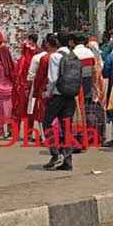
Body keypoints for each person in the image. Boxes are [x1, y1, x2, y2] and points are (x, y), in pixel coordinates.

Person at [43, 34, 77, 170]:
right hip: (71, 95)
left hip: (58, 95)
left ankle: (55, 153)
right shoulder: (72, 55)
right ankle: (67, 160)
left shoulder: (55, 56)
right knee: (67, 127)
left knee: (47, 122)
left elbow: (52, 79)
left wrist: (47, 93)